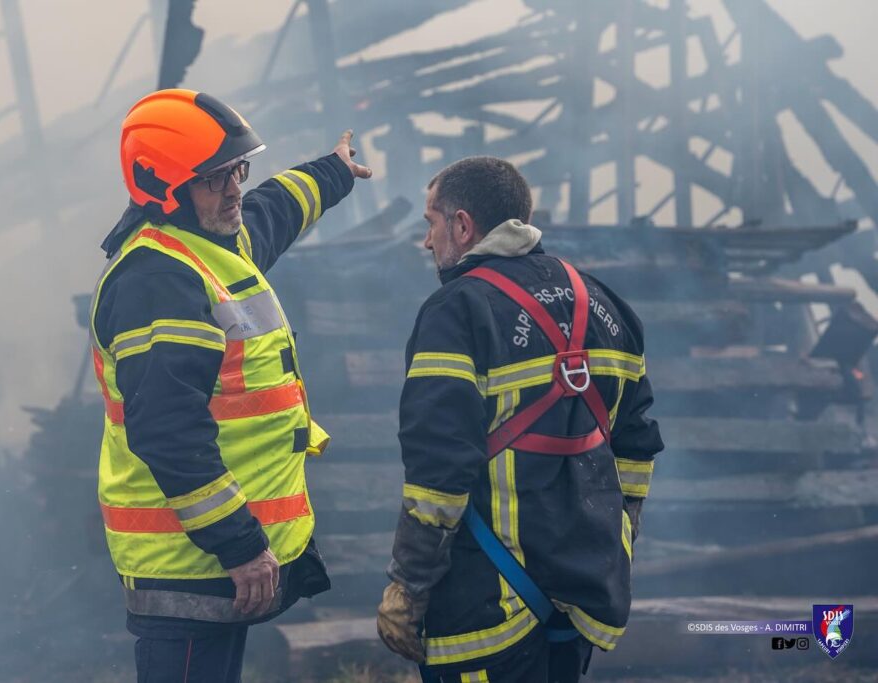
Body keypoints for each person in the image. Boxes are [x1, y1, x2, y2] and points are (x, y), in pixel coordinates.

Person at [90, 88, 371, 682]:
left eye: (238, 169)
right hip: (188, 566)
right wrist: (241, 546)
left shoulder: (210, 245)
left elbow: (274, 209)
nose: (236, 187)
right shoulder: (157, 281)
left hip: (212, 566)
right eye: (216, 178)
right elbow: (168, 433)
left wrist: (334, 172)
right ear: (164, 188)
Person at [377, 156, 663, 682]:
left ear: (462, 226)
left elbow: (438, 471)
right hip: (581, 597)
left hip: (484, 605)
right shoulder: (601, 301)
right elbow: (637, 442)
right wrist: (616, 537)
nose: (427, 241)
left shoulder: (457, 311)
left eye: (431, 223)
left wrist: (409, 585)